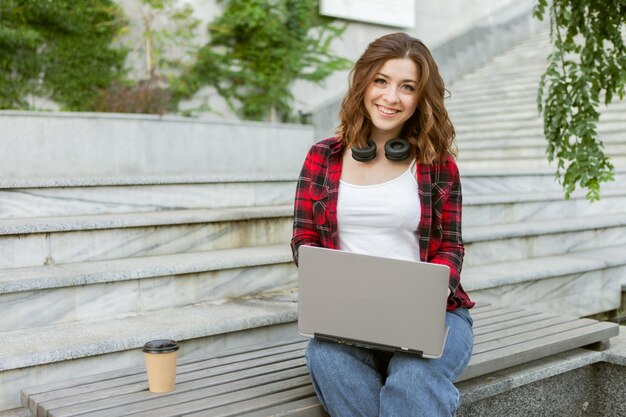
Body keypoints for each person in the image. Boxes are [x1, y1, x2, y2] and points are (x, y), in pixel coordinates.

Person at [290, 32, 475, 417]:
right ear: (363, 83)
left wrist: (430, 292)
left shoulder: (438, 165)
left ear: (420, 99)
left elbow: (451, 246)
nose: (391, 98)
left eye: (407, 87)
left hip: (436, 316)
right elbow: (304, 238)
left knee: (412, 379)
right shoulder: (322, 158)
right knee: (326, 357)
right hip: (348, 320)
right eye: (381, 81)